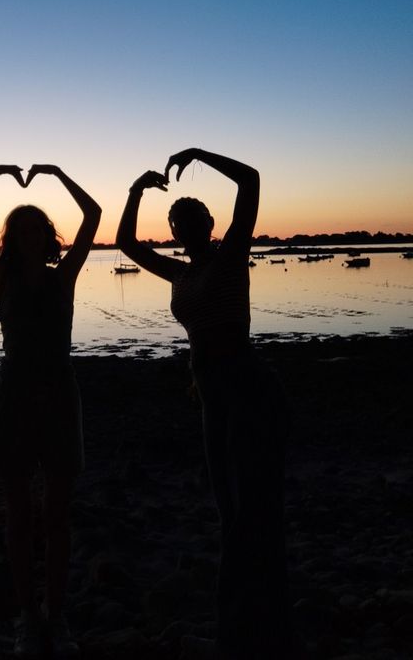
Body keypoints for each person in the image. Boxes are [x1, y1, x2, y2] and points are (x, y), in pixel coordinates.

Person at [117, 148, 298, 660]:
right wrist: (136, 190)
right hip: (211, 396)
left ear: (210, 223)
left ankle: (257, 629)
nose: (184, 224)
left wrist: (198, 154)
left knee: (254, 510)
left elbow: (251, 180)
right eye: (177, 219)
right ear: (174, 231)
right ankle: (243, 629)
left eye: (193, 216)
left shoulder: (232, 254)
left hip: (248, 388)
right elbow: (127, 242)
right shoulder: (178, 275)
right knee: (229, 510)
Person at [0, 164, 101, 659]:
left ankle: (55, 616)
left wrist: (59, 173)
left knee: (58, 515)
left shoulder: (66, 277)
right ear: (11, 241)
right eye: (20, 231)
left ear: (47, 238)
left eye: (37, 229)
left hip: (61, 393)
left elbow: (94, 214)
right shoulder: (2, 277)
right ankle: (26, 616)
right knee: (18, 514)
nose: (29, 236)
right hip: (15, 394)